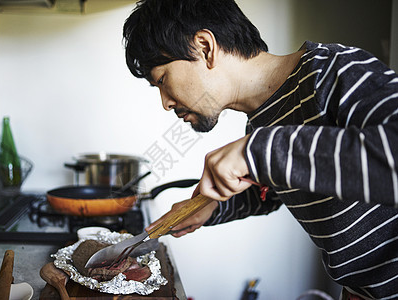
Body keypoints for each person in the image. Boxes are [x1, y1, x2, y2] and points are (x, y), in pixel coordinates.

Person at [123, 0, 398, 299]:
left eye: (162, 80)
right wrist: (212, 207)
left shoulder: (333, 71)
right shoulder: (260, 124)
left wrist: (256, 152)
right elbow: (272, 191)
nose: (165, 102)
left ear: (205, 47)